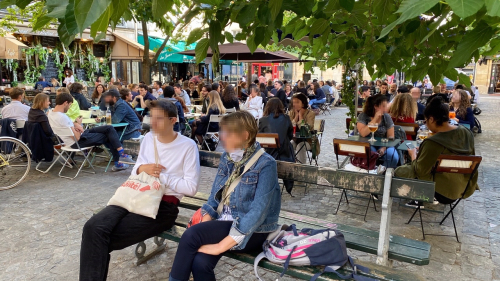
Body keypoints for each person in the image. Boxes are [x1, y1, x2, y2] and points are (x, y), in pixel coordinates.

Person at [80, 100, 200, 281]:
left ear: (173, 120)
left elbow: (191, 188)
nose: (153, 122)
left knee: (100, 239)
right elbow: (136, 169)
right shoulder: (149, 139)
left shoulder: (187, 146)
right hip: (135, 195)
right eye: (151, 117)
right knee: (92, 227)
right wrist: (144, 169)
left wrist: (162, 177)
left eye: (159, 118)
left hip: (162, 207)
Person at [168, 111, 280, 281]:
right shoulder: (227, 158)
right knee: (200, 262)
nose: (221, 136)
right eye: (222, 131)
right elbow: (215, 196)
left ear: (245, 135)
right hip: (224, 220)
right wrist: (204, 221)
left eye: (227, 133)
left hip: (254, 230)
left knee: (191, 236)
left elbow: (258, 212)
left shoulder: (266, 164)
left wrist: (220, 245)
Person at [396, 97, 478, 208]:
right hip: (464, 186)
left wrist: (413, 154)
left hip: (441, 191)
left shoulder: (432, 143)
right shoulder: (466, 133)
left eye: (425, 121)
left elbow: (420, 171)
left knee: (401, 171)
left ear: (431, 119)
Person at [48, 92, 132, 172]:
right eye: (69, 105)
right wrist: (79, 125)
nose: (69, 107)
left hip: (73, 139)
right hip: (78, 142)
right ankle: (121, 158)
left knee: (108, 128)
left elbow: (66, 126)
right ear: (65, 103)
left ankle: (121, 156)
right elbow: (77, 138)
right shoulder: (63, 117)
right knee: (108, 135)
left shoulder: (51, 113)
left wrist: (75, 125)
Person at [259, 98, 295, 195]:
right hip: (285, 153)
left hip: (269, 153)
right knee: (290, 146)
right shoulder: (286, 118)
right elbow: (291, 135)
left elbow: (259, 137)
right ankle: (288, 186)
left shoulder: (262, 120)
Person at [357, 95, 399, 168]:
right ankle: (372, 172)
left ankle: (383, 174)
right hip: (368, 144)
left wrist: (383, 148)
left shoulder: (386, 117)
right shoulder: (363, 116)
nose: (386, 109)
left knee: (393, 157)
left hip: (384, 144)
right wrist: (375, 119)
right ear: (376, 106)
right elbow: (363, 133)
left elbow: (391, 136)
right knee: (372, 153)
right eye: (384, 106)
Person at [289, 93, 315, 164]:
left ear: (303, 103)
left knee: (301, 146)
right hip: (295, 139)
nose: (295, 104)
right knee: (289, 144)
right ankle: (291, 164)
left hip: (308, 140)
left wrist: (300, 116)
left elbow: (306, 129)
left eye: (297, 102)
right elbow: (289, 127)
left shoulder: (310, 114)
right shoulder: (291, 113)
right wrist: (296, 116)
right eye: (294, 102)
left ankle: (302, 167)